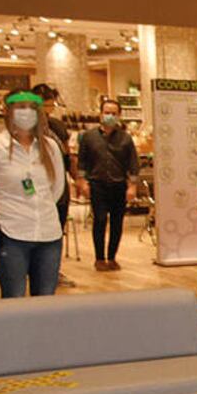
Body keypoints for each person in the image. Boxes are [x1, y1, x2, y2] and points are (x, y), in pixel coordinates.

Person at [0, 91, 66, 297]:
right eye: (21, 108)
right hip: (11, 234)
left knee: (46, 298)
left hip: (49, 234)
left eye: (31, 108)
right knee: (14, 296)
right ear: (9, 112)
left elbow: (57, 187)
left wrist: (44, 206)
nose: (26, 113)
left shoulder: (50, 147)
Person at [76, 99, 139, 271]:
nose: (110, 116)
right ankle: (99, 258)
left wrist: (132, 186)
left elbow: (133, 163)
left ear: (119, 116)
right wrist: (82, 182)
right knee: (100, 220)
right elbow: (82, 162)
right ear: (100, 114)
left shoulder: (125, 138)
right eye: (107, 112)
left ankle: (112, 257)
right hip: (97, 184)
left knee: (117, 223)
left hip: (119, 185)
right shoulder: (89, 137)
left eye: (113, 113)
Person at [33, 85, 78, 288]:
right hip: (37, 186)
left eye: (50, 104)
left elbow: (68, 154)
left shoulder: (57, 126)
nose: (47, 108)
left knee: (57, 228)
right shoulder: (27, 129)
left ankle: (52, 270)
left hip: (60, 185)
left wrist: (76, 177)